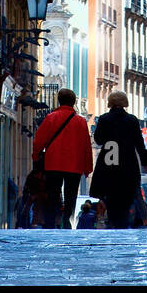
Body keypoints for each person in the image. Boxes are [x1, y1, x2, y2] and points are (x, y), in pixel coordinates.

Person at [31, 87, 94, 229]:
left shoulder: (50, 118)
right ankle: (67, 219)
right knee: (71, 195)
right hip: (74, 164)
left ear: (58, 101)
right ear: (73, 102)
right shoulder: (80, 121)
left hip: (53, 163)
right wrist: (87, 167)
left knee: (53, 194)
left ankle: (52, 221)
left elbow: (39, 140)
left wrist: (36, 155)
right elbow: (86, 146)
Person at [90, 90, 147, 229]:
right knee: (126, 200)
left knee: (111, 201)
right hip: (127, 167)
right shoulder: (132, 120)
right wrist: (145, 162)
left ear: (110, 103)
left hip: (108, 166)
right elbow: (139, 143)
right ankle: (122, 225)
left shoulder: (104, 119)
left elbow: (98, 140)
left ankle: (113, 224)